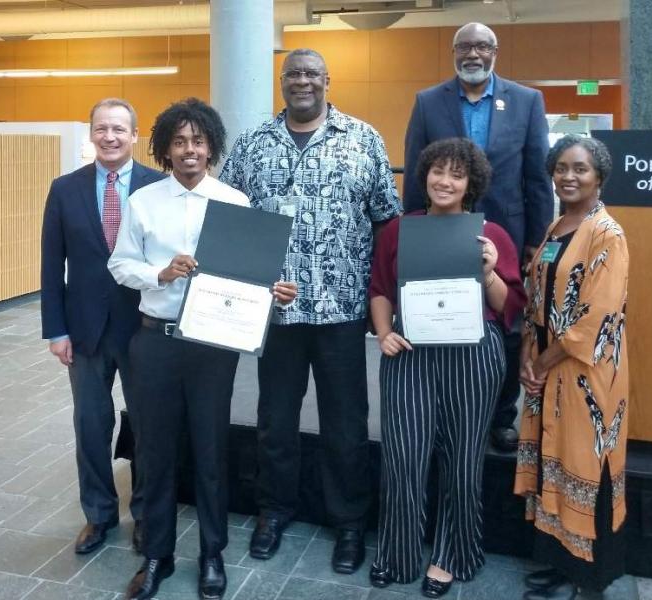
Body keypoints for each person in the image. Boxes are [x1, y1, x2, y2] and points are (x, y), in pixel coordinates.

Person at [220, 48, 401, 574]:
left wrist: (381, 300)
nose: (302, 82)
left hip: (341, 309)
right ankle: (274, 511)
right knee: (274, 419)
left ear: (327, 80)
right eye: (293, 74)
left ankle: (348, 523)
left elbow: (385, 221)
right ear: (282, 81)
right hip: (274, 313)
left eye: (311, 74)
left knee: (346, 422)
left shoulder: (363, 139)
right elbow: (233, 222)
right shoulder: (253, 144)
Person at [108, 98, 296, 600]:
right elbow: (120, 266)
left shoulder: (234, 201)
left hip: (212, 345)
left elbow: (250, 274)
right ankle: (157, 558)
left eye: (198, 140)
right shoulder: (144, 203)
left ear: (211, 146)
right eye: (179, 141)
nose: (189, 150)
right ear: (165, 148)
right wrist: (160, 273)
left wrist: (271, 290)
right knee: (155, 451)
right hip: (156, 341)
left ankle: (212, 553)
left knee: (211, 450)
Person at [368, 138, 526, 598]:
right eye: (438, 171)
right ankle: (396, 552)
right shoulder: (400, 229)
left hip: (473, 357)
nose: (445, 181)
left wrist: (490, 272)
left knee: (462, 459)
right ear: (425, 176)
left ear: (470, 183)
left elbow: (510, 307)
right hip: (409, 355)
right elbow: (380, 288)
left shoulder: (491, 235)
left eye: (457, 174)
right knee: (403, 457)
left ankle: (452, 555)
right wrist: (382, 333)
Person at [403, 22, 554, 452]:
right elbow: (417, 172)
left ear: (495, 51)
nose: (473, 53)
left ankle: (501, 417)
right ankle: (443, 412)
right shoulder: (429, 101)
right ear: (454, 52)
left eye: (482, 46)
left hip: (508, 231)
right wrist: (414, 229)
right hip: (443, 229)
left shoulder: (527, 101)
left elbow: (538, 177)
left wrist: (536, 242)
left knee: (505, 323)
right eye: (465, 46)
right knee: (443, 314)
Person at [40, 98, 164, 556]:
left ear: (136, 136)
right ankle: (98, 515)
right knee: (91, 425)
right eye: (101, 128)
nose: (109, 137)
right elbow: (52, 267)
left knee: (149, 426)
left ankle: (148, 515)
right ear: (91, 134)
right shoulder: (64, 189)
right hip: (85, 330)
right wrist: (56, 330)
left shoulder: (159, 187)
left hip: (143, 327)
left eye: (119, 129)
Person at [515, 135, 629, 600]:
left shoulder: (607, 233)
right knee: (555, 463)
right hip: (547, 366)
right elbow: (537, 295)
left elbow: (598, 315)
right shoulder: (557, 225)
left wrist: (541, 360)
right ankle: (564, 562)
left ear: (599, 176)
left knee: (589, 464)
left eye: (580, 168)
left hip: (586, 374)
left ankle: (593, 578)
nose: (569, 176)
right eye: (561, 167)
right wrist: (528, 350)